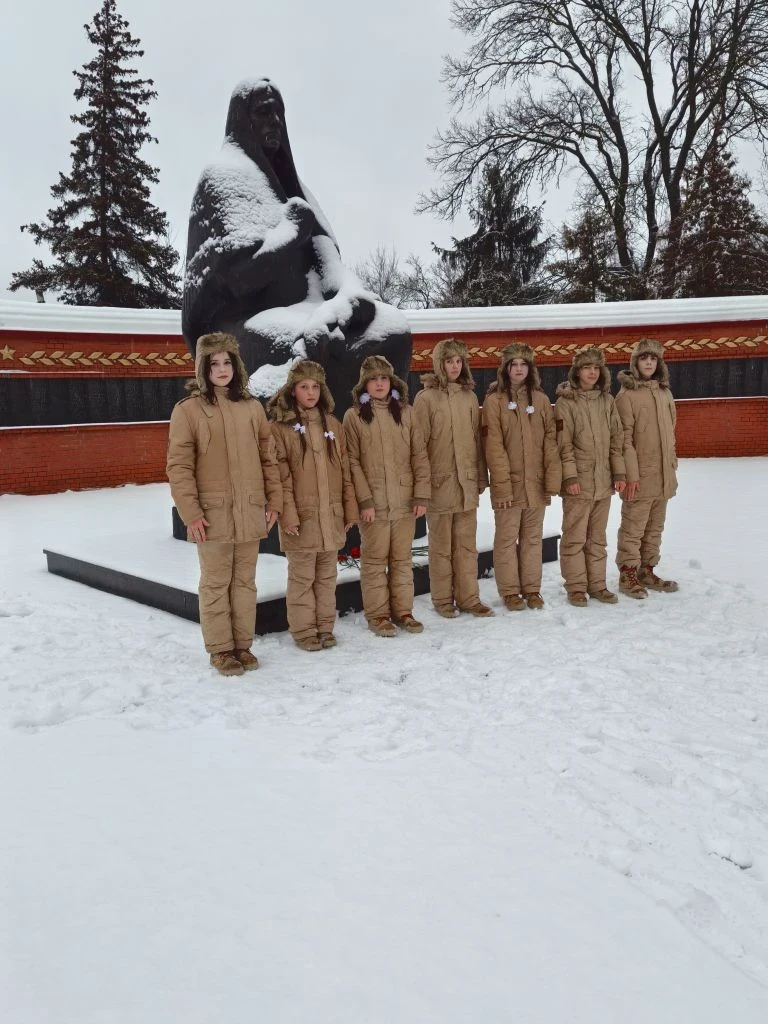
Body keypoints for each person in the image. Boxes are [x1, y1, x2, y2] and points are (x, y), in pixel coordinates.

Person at [182, 78, 411, 413]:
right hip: (247, 319)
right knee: (308, 344)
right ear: (243, 119)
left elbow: (328, 260)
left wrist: (349, 296)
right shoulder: (222, 178)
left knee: (394, 331)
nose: (275, 121)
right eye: (264, 112)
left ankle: (369, 425)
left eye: (279, 113)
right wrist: (289, 235)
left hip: (312, 307)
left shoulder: (295, 188)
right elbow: (234, 280)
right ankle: (297, 429)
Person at [166, 332, 282, 676]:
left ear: (236, 365)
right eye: (213, 363)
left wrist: (274, 500)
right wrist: (191, 513)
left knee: (245, 582)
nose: (221, 369)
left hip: (250, 509)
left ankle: (242, 645)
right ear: (202, 368)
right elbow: (179, 467)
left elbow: (268, 458)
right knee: (215, 583)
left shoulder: (252, 408)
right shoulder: (188, 410)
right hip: (212, 514)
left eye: (227, 362)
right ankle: (220, 649)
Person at [267, 359, 357, 651]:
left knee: (327, 577)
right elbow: (280, 476)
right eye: (304, 387)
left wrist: (349, 509)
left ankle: (325, 627)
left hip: (330, 516)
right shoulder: (280, 428)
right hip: (302, 518)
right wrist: (288, 515)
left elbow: (345, 471)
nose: (310, 392)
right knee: (302, 578)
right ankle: (304, 630)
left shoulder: (333, 425)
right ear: (293, 390)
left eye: (315, 387)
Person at [342, 356, 431, 637]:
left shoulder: (406, 412)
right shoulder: (354, 416)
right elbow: (352, 461)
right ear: (364, 384)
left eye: (384, 378)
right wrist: (364, 500)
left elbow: (419, 454)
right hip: (375, 503)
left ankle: (404, 611)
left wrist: (421, 495)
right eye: (373, 379)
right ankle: (378, 615)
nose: (379, 384)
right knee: (374, 561)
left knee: (402, 560)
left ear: (391, 382)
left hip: (404, 500)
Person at [413, 337, 492, 619]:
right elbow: (418, 448)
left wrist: (480, 477)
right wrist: (421, 488)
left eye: (459, 361)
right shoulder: (425, 399)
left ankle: (469, 598)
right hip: (440, 485)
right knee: (441, 549)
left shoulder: (469, 397)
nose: (455, 366)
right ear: (439, 364)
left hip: (466, 484)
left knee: (466, 547)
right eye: (449, 361)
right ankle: (443, 599)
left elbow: (476, 442)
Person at [482, 342, 561, 610]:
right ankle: (510, 591)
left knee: (532, 539)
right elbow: (494, 447)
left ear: (530, 368)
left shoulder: (540, 400)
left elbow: (550, 442)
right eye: (513, 364)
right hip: (509, 484)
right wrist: (502, 486)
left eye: (523, 364)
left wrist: (551, 479)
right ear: (505, 369)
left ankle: (532, 589)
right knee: (506, 539)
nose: (518, 369)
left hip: (535, 484)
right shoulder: (494, 401)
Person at [555, 346, 626, 607]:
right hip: (579, 482)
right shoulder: (566, 403)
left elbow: (616, 440)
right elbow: (563, 445)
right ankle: (576, 586)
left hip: (603, 481)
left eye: (596, 368)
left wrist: (618, 472)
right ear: (577, 372)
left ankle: (597, 585)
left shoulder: (607, 401)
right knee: (574, 537)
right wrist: (570, 477)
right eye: (587, 368)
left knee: (597, 538)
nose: (592, 372)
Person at [615, 338, 679, 598]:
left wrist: (672, 464)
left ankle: (646, 570)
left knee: (654, 528)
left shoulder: (665, 393)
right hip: (639, 476)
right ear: (635, 363)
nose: (649, 363)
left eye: (653, 359)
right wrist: (631, 475)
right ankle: (628, 573)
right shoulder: (626, 396)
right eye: (644, 358)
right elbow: (624, 440)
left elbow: (671, 432)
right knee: (633, 527)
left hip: (663, 475)